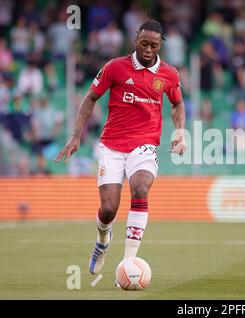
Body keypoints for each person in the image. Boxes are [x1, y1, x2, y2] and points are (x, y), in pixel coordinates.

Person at [55, 19, 187, 275]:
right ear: (136, 39)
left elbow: (177, 103)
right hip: (112, 146)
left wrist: (180, 132)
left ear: (161, 46)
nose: (148, 49)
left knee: (140, 188)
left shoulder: (169, 74)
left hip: (145, 144)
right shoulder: (115, 67)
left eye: (154, 45)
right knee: (108, 209)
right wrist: (76, 135)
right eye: (144, 43)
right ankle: (102, 242)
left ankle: (128, 262)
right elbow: (91, 97)